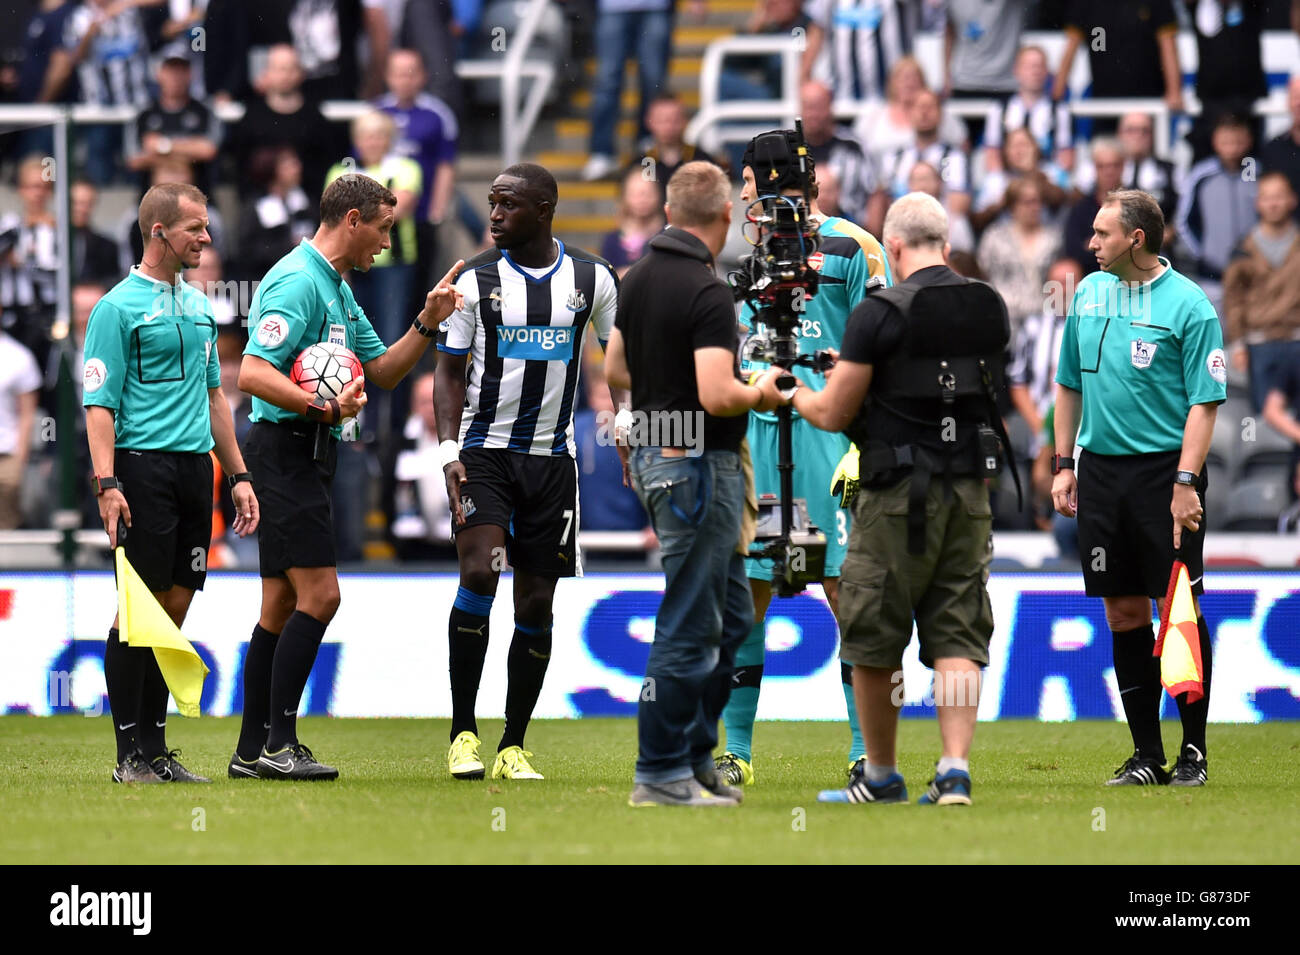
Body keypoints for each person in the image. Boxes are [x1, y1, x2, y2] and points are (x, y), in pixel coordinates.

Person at [758, 192, 1010, 806]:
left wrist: (789, 395)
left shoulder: (878, 312)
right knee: (957, 634)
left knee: (873, 635)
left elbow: (836, 409)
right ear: (945, 245)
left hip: (895, 492)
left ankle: (880, 775)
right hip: (969, 491)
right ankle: (954, 770)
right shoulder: (988, 305)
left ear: (892, 247)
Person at [231, 173, 464, 781]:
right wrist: (323, 409)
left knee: (279, 605)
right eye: (385, 228)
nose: (388, 243)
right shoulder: (297, 280)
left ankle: (252, 751)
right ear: (353, 220)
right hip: (285, 448)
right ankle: (280, 744)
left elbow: (383, 370)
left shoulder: (336, 287)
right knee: (322, 595)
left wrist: (428, 321)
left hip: (308, 450)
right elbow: (252, 374)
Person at [716, 129, 892, 792]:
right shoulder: (748, 249)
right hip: (758, 429)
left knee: (847, 591)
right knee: (749, 593)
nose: (740, 192)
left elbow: (882, 339)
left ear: (765, 179)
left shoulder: (855, 245)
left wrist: (863, 435)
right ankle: (735, 752)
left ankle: (861, 750)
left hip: (832, 437)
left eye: (746, 179)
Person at [604, 160, 784, 807]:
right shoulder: (707, 291)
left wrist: (644, 426)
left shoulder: (638, 276)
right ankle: (658, 771)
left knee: (732, 614)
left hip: (661, 456)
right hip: (701, 466)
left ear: (670, 208)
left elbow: (615, 364)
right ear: (724, 217)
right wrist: (762, 390)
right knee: (688, 621)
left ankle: (695, 755)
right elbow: (717, 393)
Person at [434, 162, 622, 782]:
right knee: (478, 572)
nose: (493, 215)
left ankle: (513, 745)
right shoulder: (473, 282)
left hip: (552, 460)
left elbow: (616, 361)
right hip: (484, 453)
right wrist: (447, 450)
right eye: (490, 202)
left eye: (507, 204)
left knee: (536, 598)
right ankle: (464, 734)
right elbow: (449, 372)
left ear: (544, 210)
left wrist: (625, 424)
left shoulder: (594, 278)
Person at [82, 182, 260, 784]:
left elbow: (215, 399)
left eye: (206, 227)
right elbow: (99, 405)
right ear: (159, 231)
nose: (206, 238)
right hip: (140, 468)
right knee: (138, 612)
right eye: (194, 229)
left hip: (194, 471)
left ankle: (156, 750)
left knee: (177, 601)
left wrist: (236, 474)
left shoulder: (200, 306)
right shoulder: (116, 308)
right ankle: (128, 754)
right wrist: (107, 482)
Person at [1052, 189, 1225, 787]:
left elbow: (1206, 405)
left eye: (1101, 234)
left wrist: (1185, 481)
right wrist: (1062, 463)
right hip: (1101, 473)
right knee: (1123, 612)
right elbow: (1068, 384)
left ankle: (1194, 753)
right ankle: (1146, 755)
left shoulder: (1191, 306)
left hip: (1164, 476)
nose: (1090, 242)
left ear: (1136, 239)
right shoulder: (1087, 293)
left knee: (1177, 608)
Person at [1222, 172, 1300, 413]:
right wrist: (1238, 343)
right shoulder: (1243, 249)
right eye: (1267, 197)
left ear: (1292, 200)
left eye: (1279, 196)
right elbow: (1234, 300)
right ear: (1258, 203)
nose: (1274, 203)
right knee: (1265, 420)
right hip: (1259, 343)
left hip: (1297, 339)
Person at [1175, 113, 1258, 313]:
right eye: (1226, 141)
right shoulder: (1202, 174)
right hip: (1212, 275)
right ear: (1215, 141)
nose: (1232, 147)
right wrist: (1202, 253)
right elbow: (1184, 221)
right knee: (1215, 335)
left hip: (1253, 272)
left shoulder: (1255, 171)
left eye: (1238, 141)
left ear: (1248, 141)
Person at [125, 56, 220, 195]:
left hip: (202, 199)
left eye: (181, 72)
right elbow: (133, 160)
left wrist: (163, 146)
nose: (176, 78)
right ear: (159, 74)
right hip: (148, 201)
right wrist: (189, 151)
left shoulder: (204, 112)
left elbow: (208, 150)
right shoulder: (143, 115)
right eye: (171, 72)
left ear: (189, 75)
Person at [0, 315, 40, 529]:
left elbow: (27, 414)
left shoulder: (18, 357)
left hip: (6, 456)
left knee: (6, 527)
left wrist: (19, 459)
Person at [599, 167, 666, 277]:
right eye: (635, 194)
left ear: (658, 194)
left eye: (648, 193)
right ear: (624, 196)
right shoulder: (611, 241)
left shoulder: (667, 237)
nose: (642, 199)